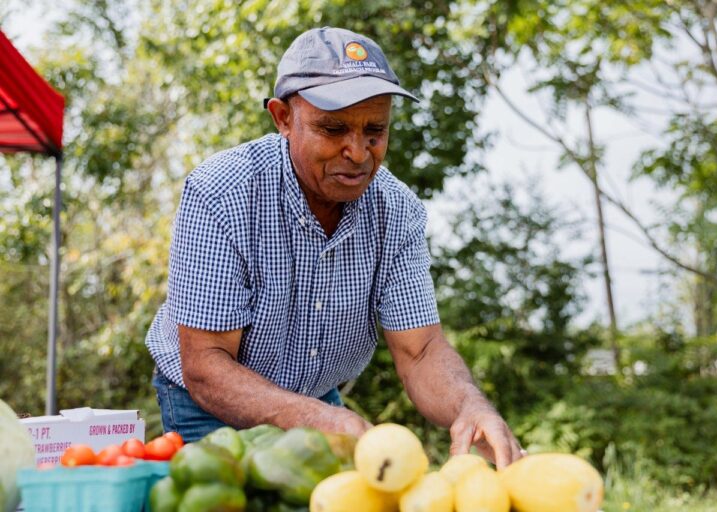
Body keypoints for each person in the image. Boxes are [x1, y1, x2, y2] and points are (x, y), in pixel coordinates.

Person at [145, 26, 524, 467]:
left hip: (316, 397)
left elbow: (420, 351)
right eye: (334, 128)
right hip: (206, 405)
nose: (359, 153)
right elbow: (206, 365)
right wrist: (317, 419)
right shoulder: (221, 192)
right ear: (283, 117)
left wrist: (470, 407)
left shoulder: (397, 210)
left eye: (375, 131)